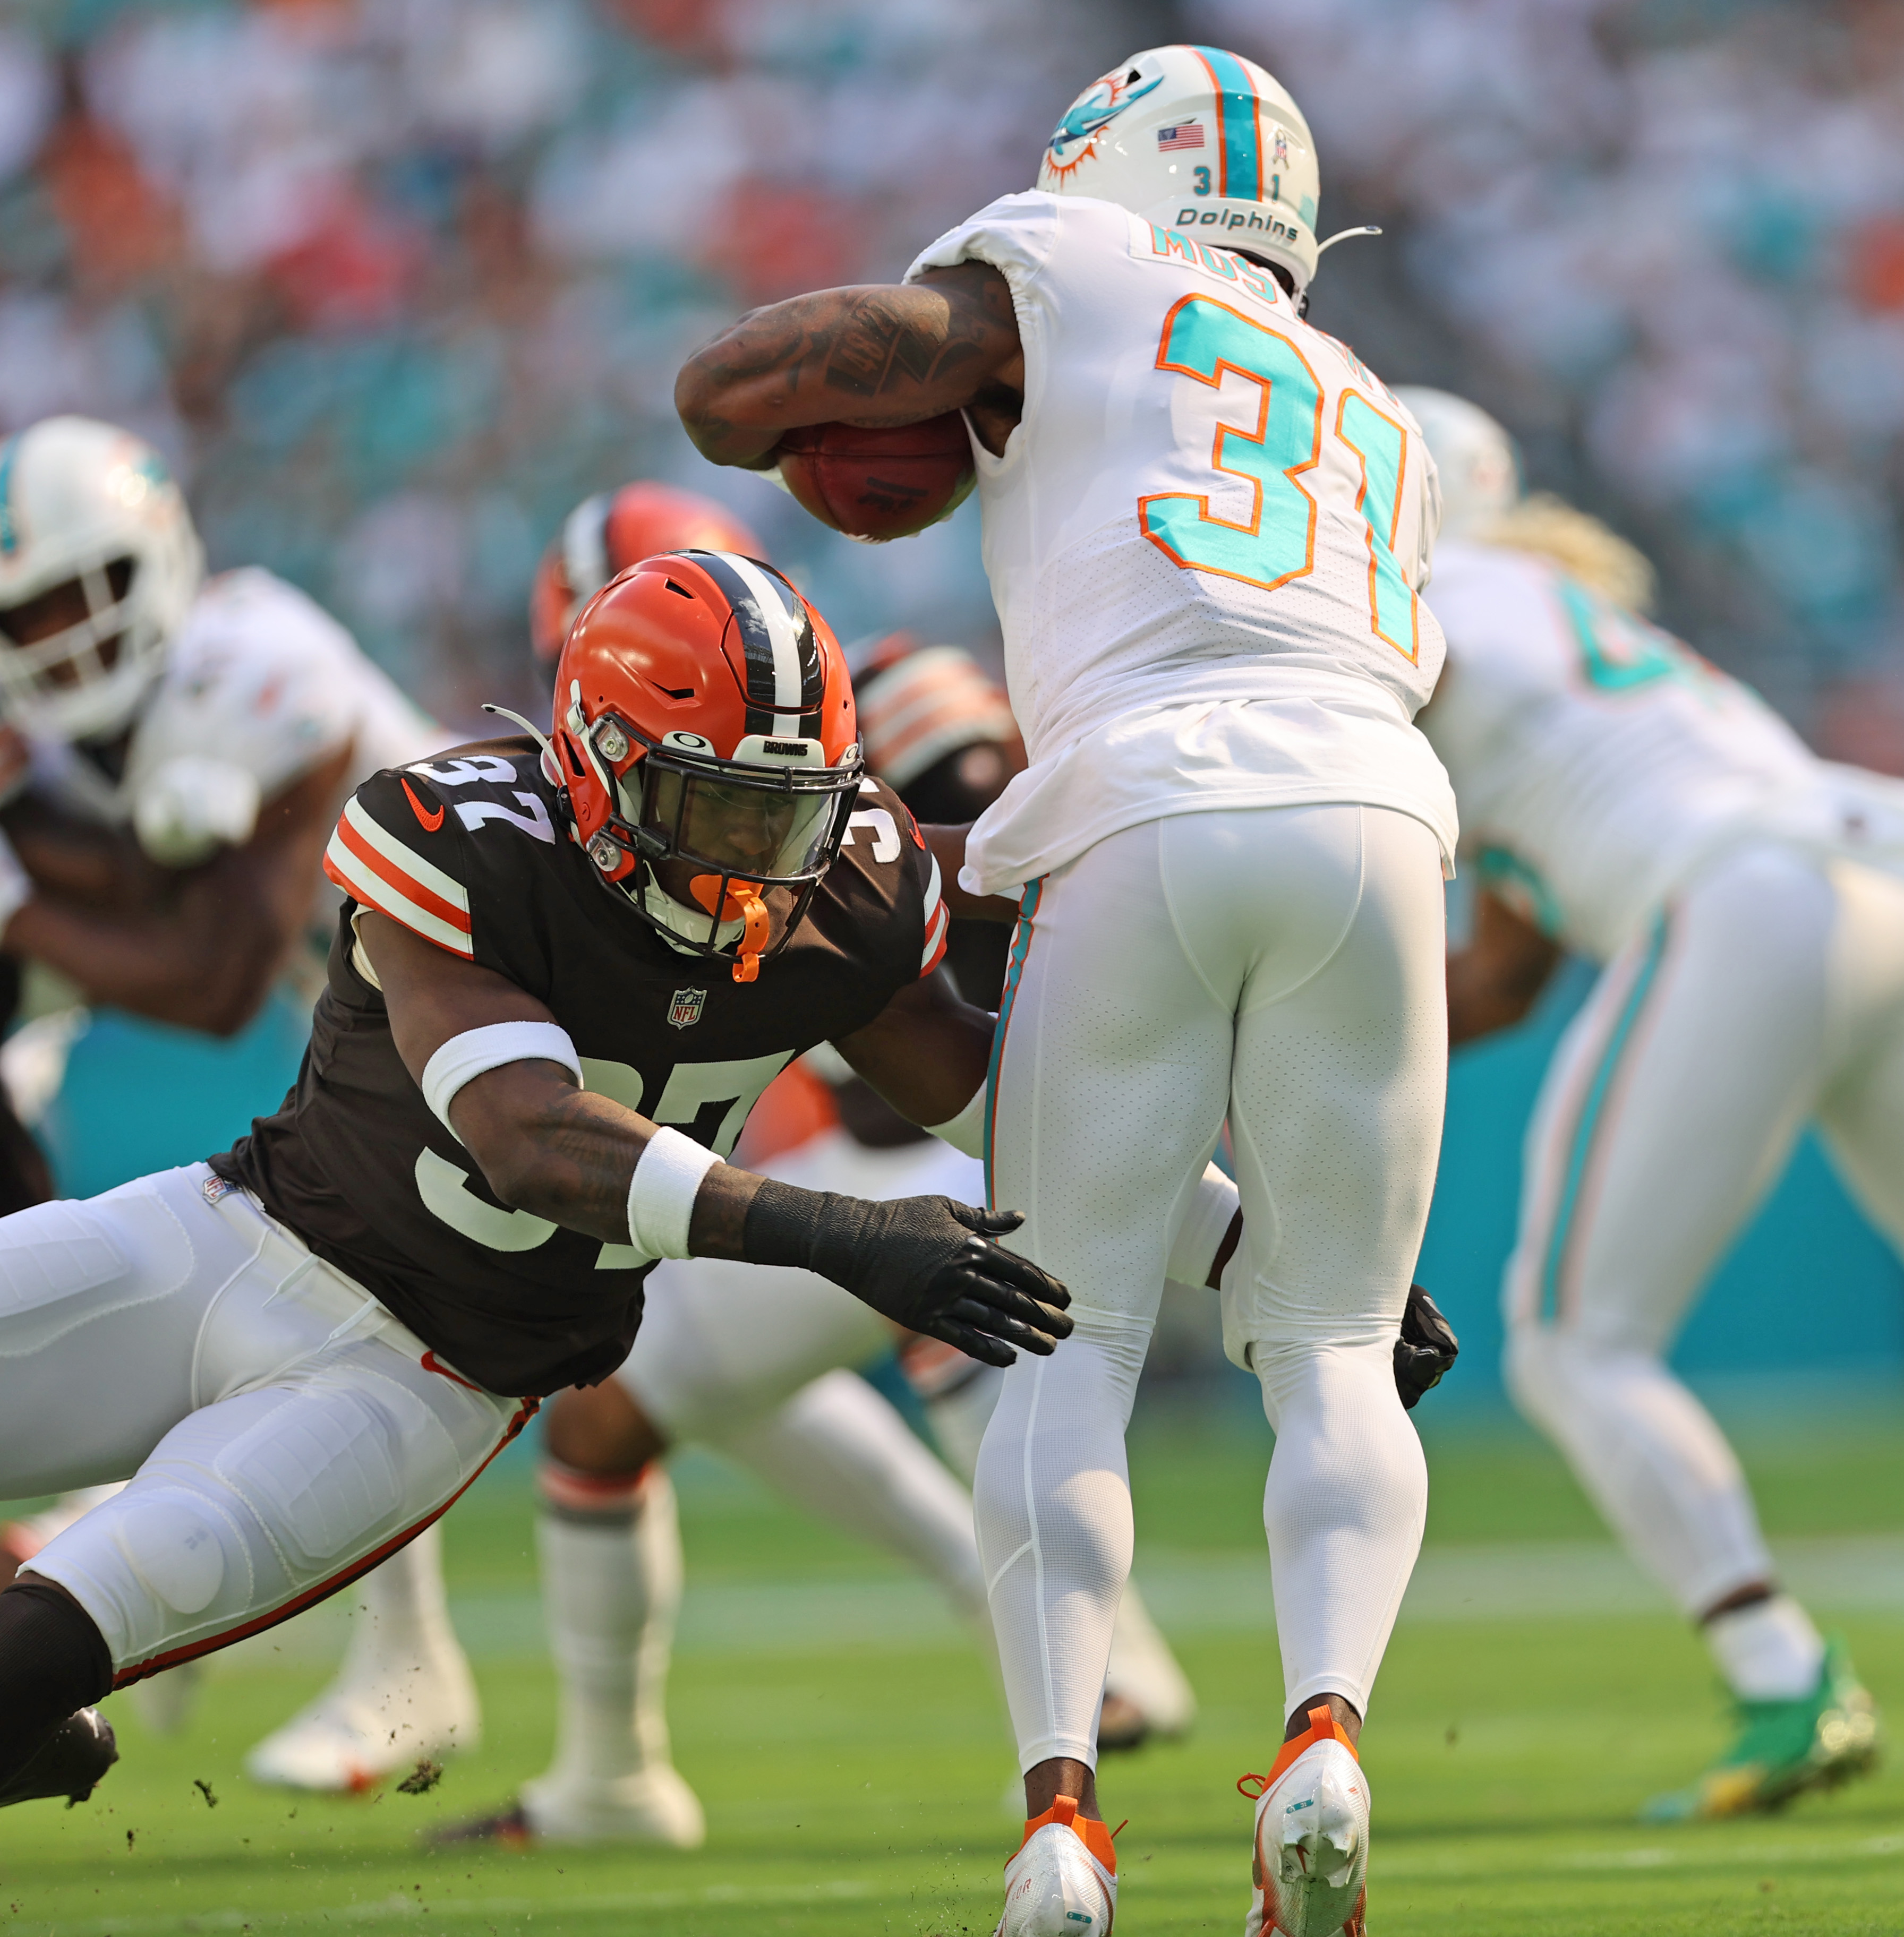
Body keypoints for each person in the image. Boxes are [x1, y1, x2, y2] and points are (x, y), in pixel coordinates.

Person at [678, 45, 1460, 1937]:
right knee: (1337, 1344)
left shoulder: (1071, 262)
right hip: (1370, 807)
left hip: (1144, 801)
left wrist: (915, 403)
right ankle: (1325, 1734)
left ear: (1105, 166)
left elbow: (736, 393)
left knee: (1065, 1337)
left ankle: (1059, 1816)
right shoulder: (1375, 408)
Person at [0, 547, 1073, 1815]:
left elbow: (1036, 1112)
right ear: (595, 764)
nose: (751, 862)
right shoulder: (462, 834)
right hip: (238, 1233)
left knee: (97, 1606)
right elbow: (531, 1138)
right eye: (709, 808)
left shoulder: (843, 893)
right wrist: (839, 1232)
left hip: (418, 1379)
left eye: (785, 814)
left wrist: (1248, 1259)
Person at [1401, 386, 1886, 1823]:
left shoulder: (1416, 605)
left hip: (1738, 896)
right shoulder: (1547, 624)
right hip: (1858, 880)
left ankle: (1778, 1670)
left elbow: (1347, 726)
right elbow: (1495, 978)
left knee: (1569, 1340)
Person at [242, 479, 770, 1794]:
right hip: (520, 1140)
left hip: (624, 1166)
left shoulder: (807, 853)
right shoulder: (485, 821)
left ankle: (457, 1704)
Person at [0, 413, 446, 1732]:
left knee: (398, 1313)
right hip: (377, 1023)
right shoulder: (107, 728)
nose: (63, 635)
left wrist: (16, 898)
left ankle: (383, 1676)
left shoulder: (264, 663)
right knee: (375, 1309)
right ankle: (402, 1680)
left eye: (86, 594)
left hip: (480, 998)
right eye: (31, 613)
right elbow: (145, 878)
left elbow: (209, 983)